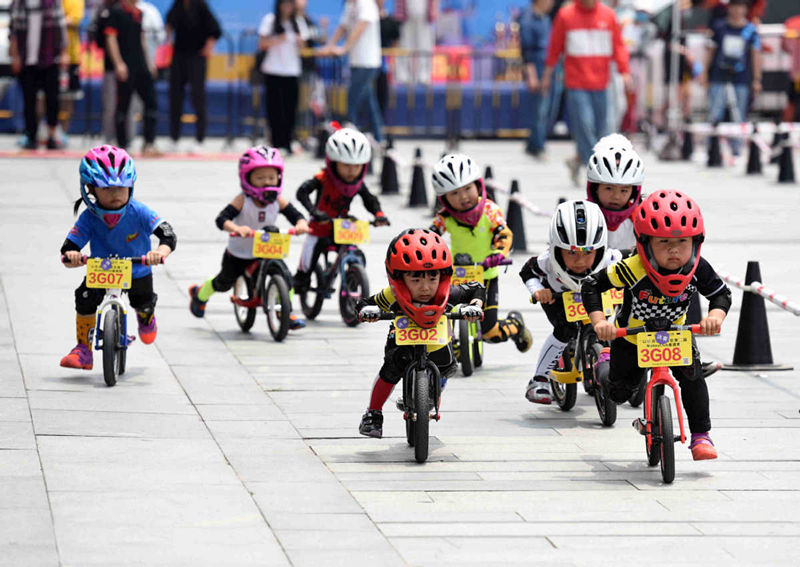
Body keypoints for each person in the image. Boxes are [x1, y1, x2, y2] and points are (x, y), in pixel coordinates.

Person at [582, 190, 732, 461]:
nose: (674, 251)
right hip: (631, 337)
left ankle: (701, 436)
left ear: (696, 243)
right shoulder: (632, 268)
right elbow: (592, 285)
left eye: (682, 242)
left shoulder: (696, 268)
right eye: (663, 242)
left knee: (692, 379)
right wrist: (600, 321)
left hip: (677, 336)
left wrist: (715, 317)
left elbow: (721, 294)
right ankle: (602, 364)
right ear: (645, 244)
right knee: (618, 392)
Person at [356, 228, 485, 438]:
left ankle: (435, 392)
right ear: (399, 279)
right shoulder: (392, 294)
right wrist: (367, 312)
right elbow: (364, 303)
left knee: (446, 366)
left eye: (432, 278)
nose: (425, 287)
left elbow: (476, 288)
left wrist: (475, 305)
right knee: (391, 369)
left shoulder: (448, 292)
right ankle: (373, 413)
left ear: (442, 276)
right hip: (402, 338)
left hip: (438, 341)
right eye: (415, 280)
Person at [59, 145, 176, 370]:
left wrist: (160, 252)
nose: (115, 194)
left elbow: (167, 233)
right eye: (107, 189)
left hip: (138, 269)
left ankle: (146, 316)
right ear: (90, 189)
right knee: (85, 297)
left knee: (143, 302)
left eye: (121, 188)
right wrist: (71, 255)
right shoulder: (89, 217)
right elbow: (69, 245)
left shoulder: (139, 211)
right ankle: (83, 349)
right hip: (102, 269)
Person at [188, 146, 309, 328]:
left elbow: (296, 215)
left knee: (285, 277)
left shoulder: (278, 200)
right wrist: (236, 227)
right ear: (247, 178)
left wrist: (301, 224)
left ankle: (285, 311)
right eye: (260, 178)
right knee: (224, 281)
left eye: (271, 177)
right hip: (240, 253)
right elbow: (221, 219)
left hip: (267, 248)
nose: (266, 182)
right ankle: (200, 295)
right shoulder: (243, 200)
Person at [519, 200, 622, 404]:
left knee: (610, 329)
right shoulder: (547, 261)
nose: (580, 261)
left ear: (600, 249)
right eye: (571, 253)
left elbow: (631, 268)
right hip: (558, 299)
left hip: (596, 298)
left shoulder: (611, 258)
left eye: (588, 253)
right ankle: (539, 379)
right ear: (557, 249)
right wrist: (539, 290)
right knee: (564, 330)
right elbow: (526, 271)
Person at [429, 153, 533, 353]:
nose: (463, 197)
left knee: (489, 332)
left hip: (486, 275)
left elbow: (503, 233)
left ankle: (515, 324)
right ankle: (452, 345)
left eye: (467, 189)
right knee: (444, 313)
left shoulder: (490, 210)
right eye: (455, 193)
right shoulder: (445, 217)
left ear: (478, 186)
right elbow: (430, 237)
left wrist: (499, 253)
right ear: (445, 199)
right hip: (457, 275)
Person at [541, 0, 631, 185]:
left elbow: (619, 46)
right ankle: (599, 175)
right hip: (576, 83)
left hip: (602, 83)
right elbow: (554, 47)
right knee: (584, 126)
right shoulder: (566, 15)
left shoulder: (609, 15)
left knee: (602, 131)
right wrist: (547, 75)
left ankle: (577, 161)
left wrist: (624, 71)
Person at [293, 127, 390, 293]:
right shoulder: (323, 178)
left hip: (342, 228)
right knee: (306, 266)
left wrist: (379, 214)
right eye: (346, 165)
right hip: (319, 228)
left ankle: (353, 279)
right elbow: (302, 192)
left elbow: (369, 199)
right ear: (333, 163)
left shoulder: (358, 184)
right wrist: (314, 212)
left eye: (357, 166)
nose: (351, 171)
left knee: (356, 254)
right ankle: (300, 282)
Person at [701, 0, 762, 156]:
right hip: (718, 75)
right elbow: (710, 52)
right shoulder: (719, 27)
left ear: (745, 9)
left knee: (738, 113)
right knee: (715, 111)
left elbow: (756, 55)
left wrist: (757, 79)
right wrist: (704, 74)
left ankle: (737, 147)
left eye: (741, 6)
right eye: (734, 6)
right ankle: (711, 147)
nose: (737, 10)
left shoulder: (750, 30)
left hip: (741, 77)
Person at [319, 0, 384, 143]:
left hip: (368, 61)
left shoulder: (366, 4)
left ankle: (349, 139)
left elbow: (359, 28)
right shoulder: (350, 5)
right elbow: (342, 27)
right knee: (369, 102)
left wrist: (344, 48)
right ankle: (380, 138)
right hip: (356, 61)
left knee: (352, 101)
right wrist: (330, 46)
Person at [9, 0, 68, 150]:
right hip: (27, 58)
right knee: (29, 100)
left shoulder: (52, 2)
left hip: (49, 58)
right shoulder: (19, 3)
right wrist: (15, 56)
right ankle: (31, 135)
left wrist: (63, 53)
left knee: (52, 100)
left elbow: (60, 28)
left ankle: (52, 135)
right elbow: (14, 31)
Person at [104, 0, 160, 155]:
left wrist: (149, 62)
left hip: (140, 65)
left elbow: (142, 39)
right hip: (125, 65)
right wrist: (118, 63)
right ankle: (122, 145)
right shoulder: (115, 12)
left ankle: (149, 143)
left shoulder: (139, 13)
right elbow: (111, 39)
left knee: (151, 102)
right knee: (123, 105)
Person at [165, 0, 221, 153]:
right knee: (175, 96)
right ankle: (174, 137)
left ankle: (199, 139)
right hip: (178, 56)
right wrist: (166, 39)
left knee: (198, 97)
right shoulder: (177, 4)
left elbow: (215, 30)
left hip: (196, 56)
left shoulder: (201, 5)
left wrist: (208, 48)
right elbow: (169, 24)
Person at [258, 0, 304, 155]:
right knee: (274, 109)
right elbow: (262, 43)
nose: (288, 8)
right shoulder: (270, 20)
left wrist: (299, 41)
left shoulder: (297, 22)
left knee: (290, 109)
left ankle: (288, 142)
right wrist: (278, 39)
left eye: (290, 4)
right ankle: (276, 142)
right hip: (273, 70)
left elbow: (304, 45)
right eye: (285, 4)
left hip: (292, 71)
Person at [585, 133, 643, 252]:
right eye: (608, 188)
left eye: (624, 190)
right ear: (595, 188)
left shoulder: (641, 220)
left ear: (633, 192)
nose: (616, 196)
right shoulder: (582, 218)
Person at [519, 0, 553, 159]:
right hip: (537, 66)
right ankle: (538, 146)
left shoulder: (546, 19)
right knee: (539, 110)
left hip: (548, 66)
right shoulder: (527, 19)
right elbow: (526, 51)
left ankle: (532, 143)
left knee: (545, 110)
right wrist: (531, 74)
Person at [394, 0, 437, 85]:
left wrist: (433, 9)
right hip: (406, 13)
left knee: (425, 46)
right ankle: (403, 75)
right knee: (404, 45)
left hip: (424, 13)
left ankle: (424, 75)